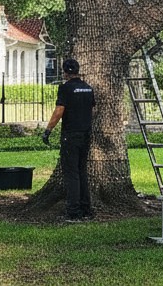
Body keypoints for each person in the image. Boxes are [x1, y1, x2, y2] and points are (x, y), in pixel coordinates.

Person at [43, 58, 95, 221]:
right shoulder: (88, 88)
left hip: (70, 135)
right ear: (78, 70)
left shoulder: (65, 89)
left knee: (71, 173)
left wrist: (48, 130)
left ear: (65, 72)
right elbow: (91, 109)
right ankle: (86, 209)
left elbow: (59, 111)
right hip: (85, 134)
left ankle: (73, 212)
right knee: (82, 171)